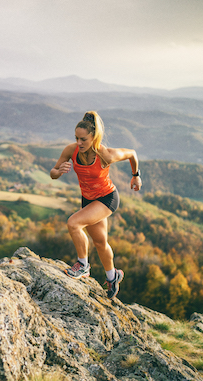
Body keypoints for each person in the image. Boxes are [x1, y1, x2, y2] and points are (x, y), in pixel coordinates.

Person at [50, 111, 142, 299]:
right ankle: (112, 276)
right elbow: (52, 172)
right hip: (89, 200)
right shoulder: (71, 150)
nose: (79, 143)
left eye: (83, 139)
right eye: (76, 138)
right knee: (100, 242)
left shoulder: (105, 154)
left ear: (94, 138)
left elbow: (132, 154)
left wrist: (136, 176)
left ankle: (83, 266)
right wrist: (59, 171)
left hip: (107, 198)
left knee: (73, 223)